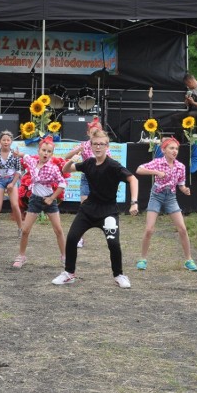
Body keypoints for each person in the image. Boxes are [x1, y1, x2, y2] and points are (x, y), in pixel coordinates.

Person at [52, 129, 139, 287]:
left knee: (113, 244)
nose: (98, 147)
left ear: (107, 146)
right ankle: (69, 273)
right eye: (95, 144)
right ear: (90, 146)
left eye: (101, 144)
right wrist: (72, 160)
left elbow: (133, 179)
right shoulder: (88, 163)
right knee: (71, 238)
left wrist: (134, 202)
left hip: (108, 211)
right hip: (89, 209)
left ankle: (119, 275)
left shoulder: (113, 166)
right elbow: (65, 170)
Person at [135, 137, 197, 272]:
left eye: (176, 149)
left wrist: (185, 189)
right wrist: (156, 172)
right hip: (156, 196)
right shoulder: (157, 162)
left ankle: (189, 259)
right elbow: (139, 169)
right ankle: (142, 259)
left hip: (171, 197)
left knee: (182, 228)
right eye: (171, 148)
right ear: (163, 150)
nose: (175, 151)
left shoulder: (180, 166)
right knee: (149, 229)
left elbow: (181, 184)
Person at [12, 136, 67, 268]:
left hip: (49, 200)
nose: (46, 153)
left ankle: (65, 256)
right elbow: (25, 156)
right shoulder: (32, 162)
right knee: (25, 230)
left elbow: (62, 184)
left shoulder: (53, 168)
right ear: (39, 151)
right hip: (35, 199)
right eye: (44, 150)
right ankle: (21, 256)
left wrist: (52, 198)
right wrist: (18, 153)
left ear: (52, 154)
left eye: (49, 151)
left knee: (58, 230)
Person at [63, 116, 108, 248]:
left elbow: (109, 161)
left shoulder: (104, 146)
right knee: (84, 209)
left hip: (100, 180)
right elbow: (67, 157)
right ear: (88, 133)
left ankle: (109, 235)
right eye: (92, 132)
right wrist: (77, 151)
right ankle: (80, 238)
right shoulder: (83, 145)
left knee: (103, 209)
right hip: (86, 179)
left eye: (97, 132)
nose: (95, 134)